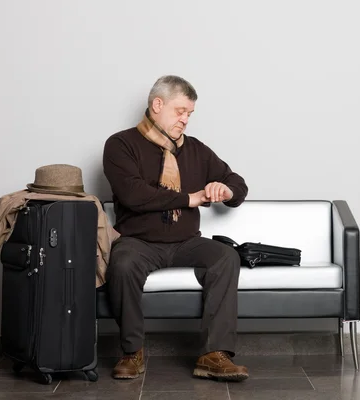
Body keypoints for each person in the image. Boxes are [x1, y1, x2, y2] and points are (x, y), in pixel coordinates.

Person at [102, 75, 249, 382]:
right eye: (180, 111)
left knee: (225, 257)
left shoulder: (196, 150)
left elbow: (238, 183)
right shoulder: (121, 144)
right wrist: (189, 198)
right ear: (158, 104)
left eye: (189, 114)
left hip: (185, 241)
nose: (186, 119)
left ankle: (213, 355)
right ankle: (132, 351)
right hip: (139, 241)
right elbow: (134, 194)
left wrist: (226, 189)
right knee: (123, 262)